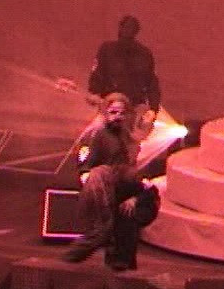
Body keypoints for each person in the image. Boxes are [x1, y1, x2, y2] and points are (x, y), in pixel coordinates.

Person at [64, 93, 160, 271]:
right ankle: (68, 260)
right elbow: (85, 168)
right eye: (113, 112)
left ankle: (121, 267)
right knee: (101, 230)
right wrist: (97, 190)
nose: (118, 117)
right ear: (106, 112)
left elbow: (134, 170)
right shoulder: (97, 135)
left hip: (124, 190)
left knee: (127, 225)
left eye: (122, 113)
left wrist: (135, 196)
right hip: (104, 189)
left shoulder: (128, 137)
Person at [84, 15, 161, 163]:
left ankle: (126, 169)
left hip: (134, 107)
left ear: (136, 31)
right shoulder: (107, 49)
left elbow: (152, 83)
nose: (128, 32)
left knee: (130, 149)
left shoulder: (145, 54)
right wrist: (95, 93)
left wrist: (153, 109)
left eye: (132, 29)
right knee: (100, 137)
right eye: (126, 28)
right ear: (120, 29)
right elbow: (97, 75)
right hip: (110, 104)